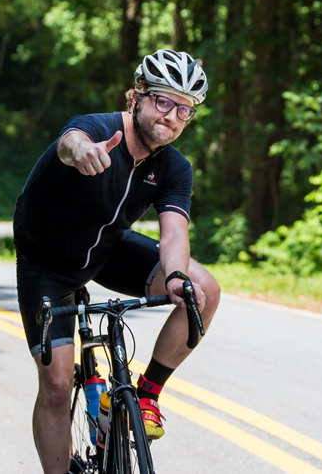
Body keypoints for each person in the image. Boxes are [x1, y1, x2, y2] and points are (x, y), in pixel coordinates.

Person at [13, 49, 221, 474]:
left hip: (107, 250)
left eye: (184, 109)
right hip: (45, 267)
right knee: (55, 386)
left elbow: (174, 231)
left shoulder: (174, 168)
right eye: (163, 100)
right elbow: (70, 143)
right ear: (137, 96)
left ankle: (147, 394)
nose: (172, 116)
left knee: (205, 290)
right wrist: (82, 151)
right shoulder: (97, 128)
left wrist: (177, 277)